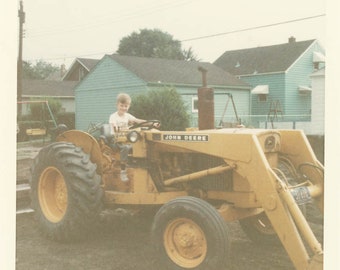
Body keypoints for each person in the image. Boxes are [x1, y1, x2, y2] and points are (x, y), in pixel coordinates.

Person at [109, 93, 146, 182]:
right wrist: (117, 128)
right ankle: (123, 170)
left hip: (127, 139)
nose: (124, 108)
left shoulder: (127, 116)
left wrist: (148, 122)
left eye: (126, 106)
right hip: (116, 139)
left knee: (141, 145)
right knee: (125, 147)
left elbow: (137, 120)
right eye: (122, 106)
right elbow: (114, 127)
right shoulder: (113, 117)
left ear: (128, 106)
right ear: (117, 105)